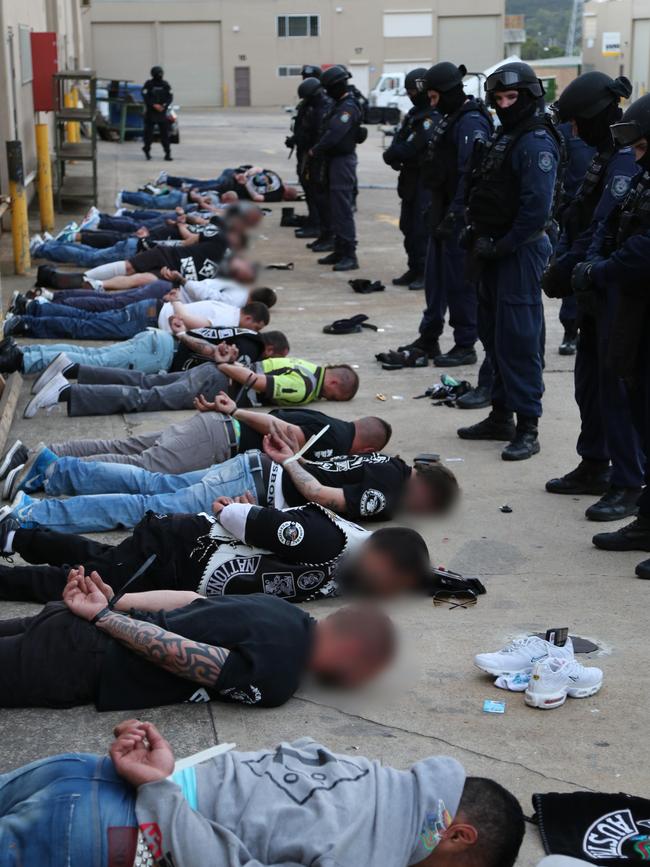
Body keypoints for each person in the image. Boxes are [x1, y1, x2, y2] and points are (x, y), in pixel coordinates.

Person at [0, 717, 525, 867]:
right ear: (458, 834)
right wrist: (160, 791)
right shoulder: (374, 854)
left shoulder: (367, 774)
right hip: (108, 839)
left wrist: (166, 780)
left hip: (79, 773)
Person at [0, 567, 394, 710]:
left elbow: (193, 600)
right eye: (363, 673)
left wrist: (116, 603)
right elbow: (183, 655)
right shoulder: (282, 671)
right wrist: (105, 615)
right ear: (352, 654)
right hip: (80, 657)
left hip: (74, 627)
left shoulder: (285, 611)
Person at [3, 423, 458, 534]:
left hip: (249, 469)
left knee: (151, 485)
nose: (415, 515)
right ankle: (32, 515)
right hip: (259, 484)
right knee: (144, 506)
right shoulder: (389, 492)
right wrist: (289, 464)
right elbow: (322, 494)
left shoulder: (384, 462)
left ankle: (56, 469)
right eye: (424, 508)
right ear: (424, 493)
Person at [0, 497, 431, 604]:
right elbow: (239, 517)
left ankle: (17, 537)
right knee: (84, 585)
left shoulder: (359, 563)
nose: (386, 592)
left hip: (181, 561)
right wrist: (238, 511)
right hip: (178, 549)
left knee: (98, 559)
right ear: (380, 558)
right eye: (390, 581)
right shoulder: (327, 540)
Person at [542, 72, 643, 523]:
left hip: (617, 295)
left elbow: (615, 236)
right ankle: (594, 463)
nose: (575, 132)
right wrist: (568, 268)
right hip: (594, 288)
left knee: (615, 391)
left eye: (580, 122)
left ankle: (626, 482)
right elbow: (588, 224)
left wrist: (575, 269)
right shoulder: (607, 157)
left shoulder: (625, 162)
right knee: (589, 385)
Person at [458, 61, 562, 461]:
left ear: (530, 96)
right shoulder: (508, 136)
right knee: (493, 333)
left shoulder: (535, 143)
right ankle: (500, 415)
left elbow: (536, 209)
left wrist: (502, 245)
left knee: (519, 338)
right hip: (493, 249)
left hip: (519, 251)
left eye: (511, 97)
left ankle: (528, 426)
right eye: (498, 98)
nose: (503, 104)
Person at [572, 94, 650, 576]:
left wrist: (600, 269)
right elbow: (614, 226)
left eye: (642, 147)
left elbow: (643, 248)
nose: (635, 157)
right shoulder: (642, 179)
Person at [16, 351, 358, 420]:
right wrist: (226, 366)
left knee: (146, 382)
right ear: (338, 383)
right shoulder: (305, 387)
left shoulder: (306, 363)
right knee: (146, 398)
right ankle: (65, 392)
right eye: (339, 395)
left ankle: (74, 368)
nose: (333, 399)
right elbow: (255, 381)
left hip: (214, 373)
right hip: (221, 380)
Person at [0, 323, 286, 381]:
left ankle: (24, 352)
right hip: (160, 354)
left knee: (88, 354)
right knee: (91, 359)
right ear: (270, 349)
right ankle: (18, 358)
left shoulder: (244, 334)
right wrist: (185, 335)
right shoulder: (249, 349)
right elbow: (209, 349)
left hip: (159, 344)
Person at [383, 68, 438, 290]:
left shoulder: (432, 116)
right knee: (407, 226)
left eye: (413, 90)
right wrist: (392, 154)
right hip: (410, 179)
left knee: (421, 228)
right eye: (408, 91)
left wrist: (396, 153)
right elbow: (399, 140)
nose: (410, 94)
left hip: (424, 179)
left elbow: (414, 144)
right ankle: (414, 266)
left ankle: (426, 271)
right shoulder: (414, 114)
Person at [311, 65, 363, 272]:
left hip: (342, 161)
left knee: (342, 208)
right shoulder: (338, 104)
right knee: (334, 206)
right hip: (333, 161)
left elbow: (335, 133)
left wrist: (316, 149)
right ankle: (340, 249)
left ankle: (350, 254)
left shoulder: (347, 106)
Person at [555, 121, 596, 355]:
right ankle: (570, 329)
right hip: (572, 214)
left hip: (599, 213)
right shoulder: (565, 130)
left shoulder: (608, 130)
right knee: (568, 268)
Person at [287, 77, 332, 239]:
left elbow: (314, 134)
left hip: (313, 154)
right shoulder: (311, 106)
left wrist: (299, 140)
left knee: (314, 190)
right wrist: (294, 140)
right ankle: (315, 221)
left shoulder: (321, 109)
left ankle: (317, 224)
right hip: (306, 152)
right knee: (309, 188)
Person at [142, 65, 173, 161]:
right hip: (151, 113)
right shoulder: (149, 84)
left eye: (160, 73)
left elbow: (170, 97)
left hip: (162, 113)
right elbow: (144, 95)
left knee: (165, 134)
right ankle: (146, 150)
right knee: (149, 135)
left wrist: (164, 106)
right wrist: (153, 105)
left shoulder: (165, 84)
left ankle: (167, 153)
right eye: (158, 73)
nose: (160, 75)